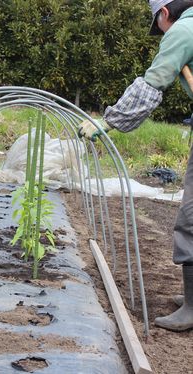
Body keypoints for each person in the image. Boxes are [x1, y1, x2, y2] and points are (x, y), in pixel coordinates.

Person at [78, 0, 193, 332]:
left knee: (191, 216)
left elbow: (152, 83)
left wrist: (110, 122)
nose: (160, 34)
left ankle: (192, 308)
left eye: (158, 27)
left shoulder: (183, 30)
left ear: (165, 14)